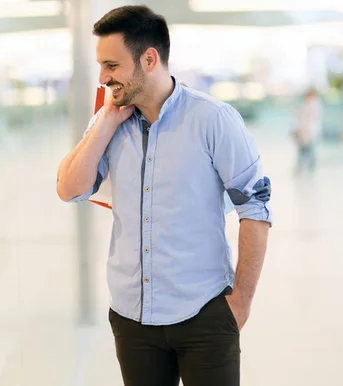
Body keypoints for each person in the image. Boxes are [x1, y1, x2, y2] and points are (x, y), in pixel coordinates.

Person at [57, 5, 272, 386]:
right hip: (132, 319)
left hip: (204, 312)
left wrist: (240, 303)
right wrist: (106, 120)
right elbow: (69, 189)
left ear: (149, 59)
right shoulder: (109, 122)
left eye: (112, 65)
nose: (104, 78)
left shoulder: (212, 120)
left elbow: (255, 207)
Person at [294, 88, 322, 175]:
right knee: (304, 151)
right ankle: (303, 167)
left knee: (308, 151)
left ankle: (308, 168)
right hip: (305, 132)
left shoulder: (312, 105)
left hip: (309, 132)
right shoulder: (306, 105)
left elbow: (308, 120)